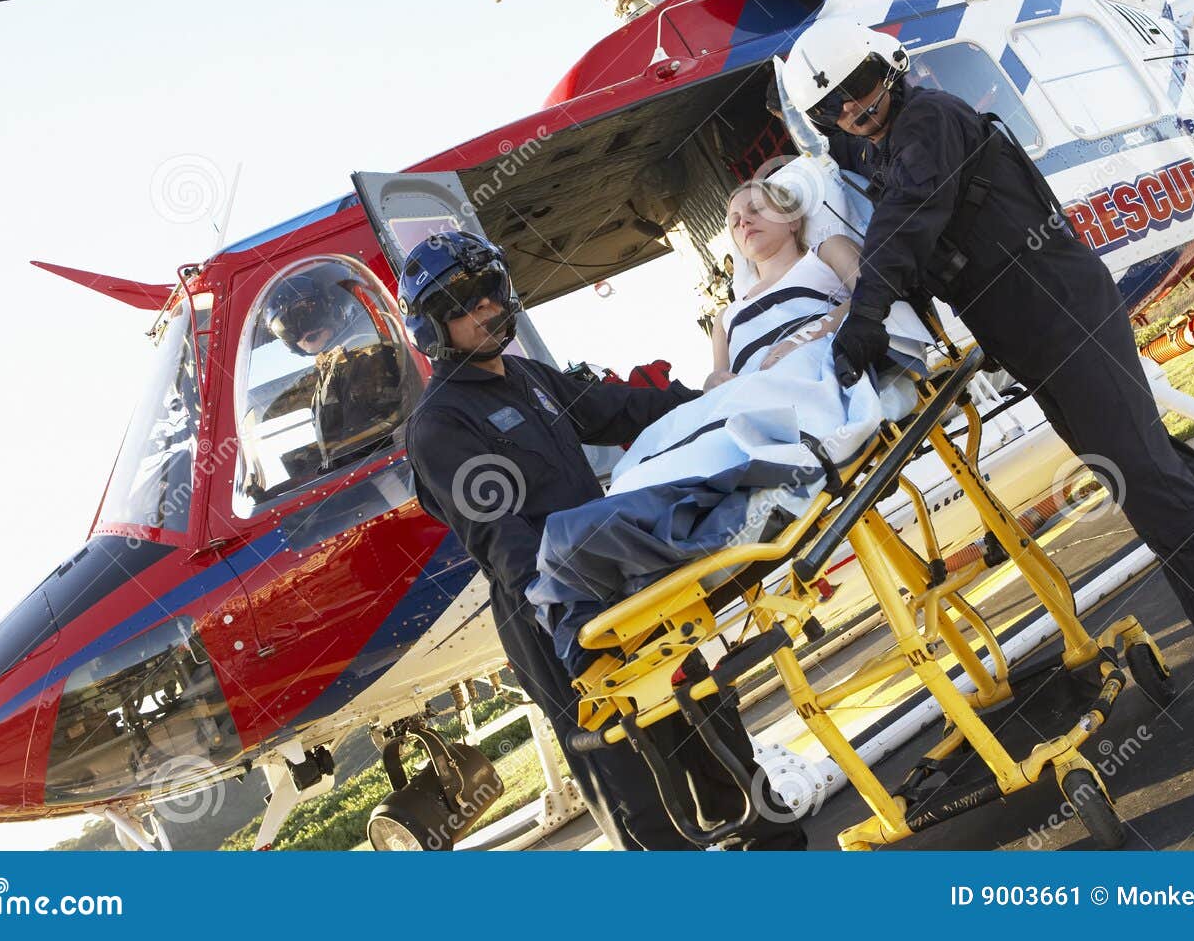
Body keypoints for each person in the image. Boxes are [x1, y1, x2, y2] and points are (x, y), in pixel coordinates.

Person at [780, 18, 1194, 746]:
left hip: (1062, 316)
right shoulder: (887, 136)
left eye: (861, 86)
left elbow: (905, 224)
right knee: (1153, 461)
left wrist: (864, 319)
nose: (853, 108)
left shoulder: (927, 122)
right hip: (1040, 330)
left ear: (891, 68)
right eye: (832, 106)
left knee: (1146, 481)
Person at [399, 228, 806, 849]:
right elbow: (501, 540)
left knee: (712, 731)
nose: (484, 307)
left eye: (488, 291)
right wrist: (579, 635)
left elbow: (618, 409)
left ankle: (786, 866)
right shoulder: (440, 424)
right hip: (556, 617)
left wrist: (707, 399)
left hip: (626, 584)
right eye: (462, 302)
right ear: (432, 326)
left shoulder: (531, 376)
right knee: (638, 790)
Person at [706, 179, 862, 390]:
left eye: (756, 209)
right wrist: (711, 383)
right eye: (735, 223)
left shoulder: (826, 254)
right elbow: (717, 382)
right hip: (750, 400)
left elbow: (875, 294)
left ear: (792, 221)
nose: (743, 222)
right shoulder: (724, 318)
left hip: (818, 374)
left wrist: (804, 337)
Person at [262, 264, 414, 474]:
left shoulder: (362, 356)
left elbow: (366, 441)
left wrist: (327, 472)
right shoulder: (330, 369)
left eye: (307, 311)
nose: (303, 327)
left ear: (330, 307)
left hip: (391, 475)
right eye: (286, 325)